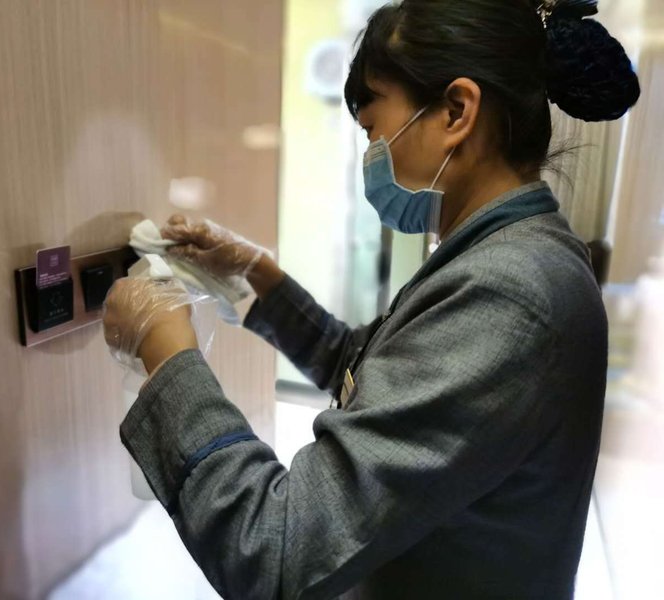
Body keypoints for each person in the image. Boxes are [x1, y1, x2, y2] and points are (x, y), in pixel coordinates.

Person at [101, 1, 640, 598]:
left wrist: (168, 356)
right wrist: (257, 278)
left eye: (372, 129)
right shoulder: (503, 253)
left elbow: (274, 548)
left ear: (456, 112)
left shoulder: (511, 292)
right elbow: (375, 375)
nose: (372, 155)